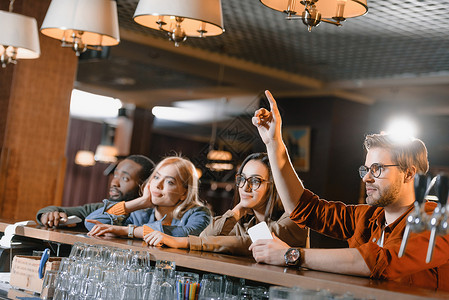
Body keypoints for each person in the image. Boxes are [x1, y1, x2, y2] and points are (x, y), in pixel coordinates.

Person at [249, 90, 449, 291]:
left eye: (377, 169)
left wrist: (291, 255)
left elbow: (380, 262)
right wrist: (273, 143)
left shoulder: (437, 224)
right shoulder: (367, 217)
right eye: (366, 169)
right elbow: (303, 208)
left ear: (408, 174)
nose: (366, 177)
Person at [140, 153, 308, 256]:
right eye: (242, 179)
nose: (245, 187)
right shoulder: (246, 221)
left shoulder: (295, 218)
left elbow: (249, 242)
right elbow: (205, 237)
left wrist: (183, 242)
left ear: (275, 185)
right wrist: (238, 209)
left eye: (255, 181)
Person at [85, 156, 211, 240]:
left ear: (185, 192)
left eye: (169, 182)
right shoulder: (141, 213)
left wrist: (127, 231)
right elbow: (91, 223)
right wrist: (139, 202)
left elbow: (186, 233)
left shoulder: (199, 213)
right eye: (156, 177)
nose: (158, 185)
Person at [36, 155, 154, 228]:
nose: (114, 183)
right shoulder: (100, 208)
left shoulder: (152, 216)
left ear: (144, 187)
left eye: (124, 178)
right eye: (115, 175)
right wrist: (48, 215)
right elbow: (53, 210)